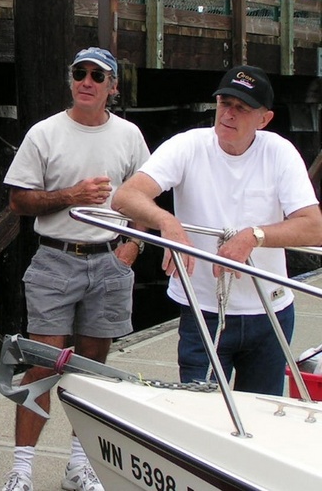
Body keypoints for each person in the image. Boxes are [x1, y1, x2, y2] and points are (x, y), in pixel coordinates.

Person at [112, 64, 322, 397]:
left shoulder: (279, 153)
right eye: (225, 103)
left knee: (262, 417)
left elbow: (314, 227)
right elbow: (125, 196)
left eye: (242, 108)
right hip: (203, 311)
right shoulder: (188, 146)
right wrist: (168, 222)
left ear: (263, 119)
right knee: (201, 418)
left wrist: (253, 236)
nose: (229, 114)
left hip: (270, 312)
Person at [2, 47, 150, 491]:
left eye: (97, 76)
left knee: (90, 369)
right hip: (55, 256)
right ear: (71, 80)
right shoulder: (44, 133)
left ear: (113, 86)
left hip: (107, 260)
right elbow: (18, 200)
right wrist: (70, 196)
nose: (86, 81)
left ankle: (78, 465)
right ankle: (21, 469)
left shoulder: (129, 135)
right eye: (79, 73)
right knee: (44, 364)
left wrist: (131, 248)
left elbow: (145, 197)